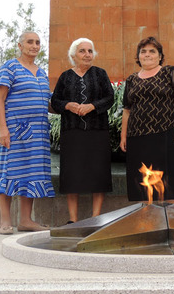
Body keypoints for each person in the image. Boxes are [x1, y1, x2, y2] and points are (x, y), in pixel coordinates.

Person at [0, 31, 55, 235]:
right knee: (8, 172)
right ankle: (5, 221)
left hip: (38, 134)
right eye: (30, 42)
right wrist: (2, 128)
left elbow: (49, 104)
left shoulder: (41, 72)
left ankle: (26, 220)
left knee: (31, 174)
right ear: (20, 45)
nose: (34, 46)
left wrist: (71, 105)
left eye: (37, 42)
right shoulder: (10, 67)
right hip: (15, 130)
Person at [51, 38, 114, 223]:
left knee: (99, 174)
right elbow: (55, 101)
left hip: (97, 132)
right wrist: (68, 105)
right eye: (82, 51)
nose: (87, 54)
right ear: (73, 55)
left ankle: (95, 219)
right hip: (72, 133)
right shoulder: (65, 76)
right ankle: (73, 220)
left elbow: (109, 98)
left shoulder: (100, 74)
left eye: (90, 51)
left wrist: (92, 106)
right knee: (72, 175)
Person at [120, 36, 174, 201]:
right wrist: (123, 136)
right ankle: (146, 220)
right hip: (138, 138)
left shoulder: (169, 72)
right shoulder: (131, 79)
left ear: (160, 56)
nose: (147, 54)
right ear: (138, 57)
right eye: (143, 51)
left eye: (152, 51)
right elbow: (127, 110)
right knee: (142, 183)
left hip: (167, 134)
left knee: (169, 182)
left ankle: (171, 220)